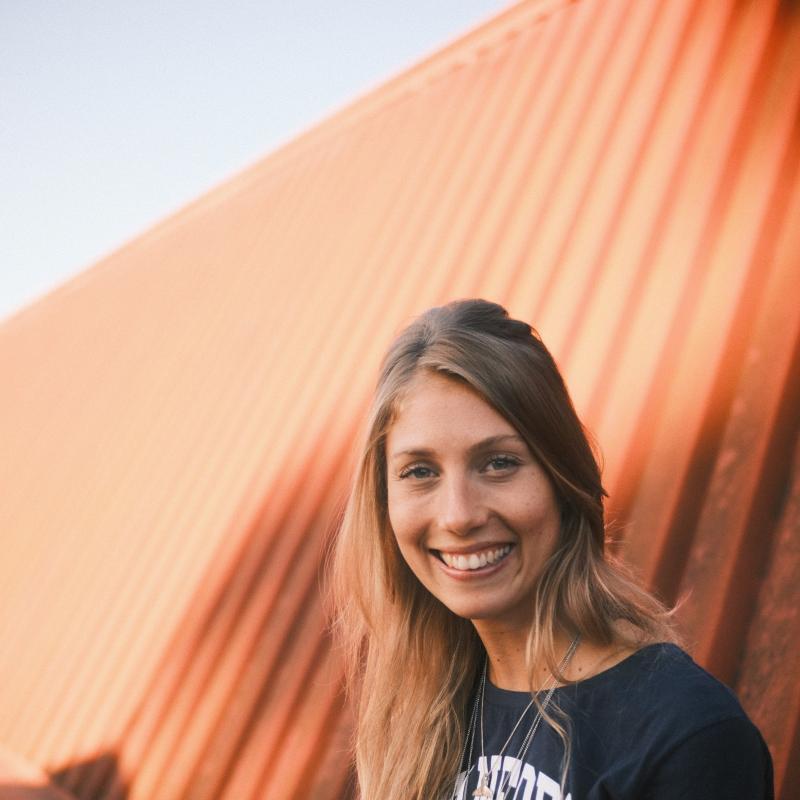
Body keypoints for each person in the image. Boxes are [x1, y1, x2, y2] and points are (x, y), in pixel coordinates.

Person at [330, 299, 773, 800]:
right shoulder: (423, 714)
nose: (458, 515)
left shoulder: (684, 735)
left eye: (498, 463)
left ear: (562, 479)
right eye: (420, 471)